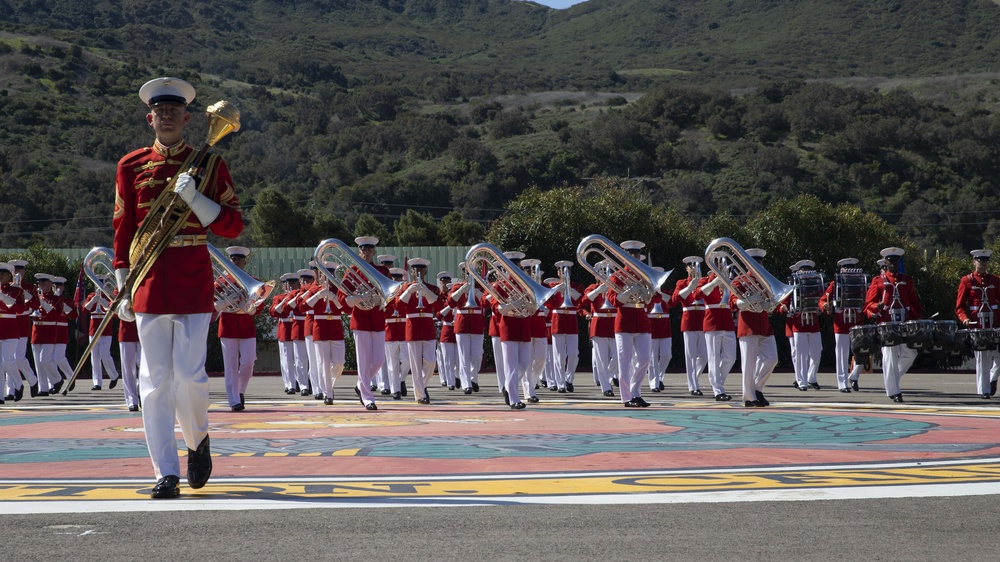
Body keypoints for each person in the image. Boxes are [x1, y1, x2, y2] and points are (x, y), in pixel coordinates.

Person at [112, 77, 243, 498]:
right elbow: (123, 229)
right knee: (153, 381)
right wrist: (121, 284)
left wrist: (198, 201)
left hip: (191, 276)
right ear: (149, 118)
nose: (166, 117)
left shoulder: (209, 163)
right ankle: (164, 471)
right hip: (148, 279)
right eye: (159, 111)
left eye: (174, 111)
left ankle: (197, 439)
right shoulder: (130, 165)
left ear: (186, 118)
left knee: (189, 376)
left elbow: (233, 224)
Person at [863, 247, 922, 403]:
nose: (893, 264)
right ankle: (894, 391)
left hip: (904, 323)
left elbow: (915, 303)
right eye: (890, 261)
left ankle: (892, 377)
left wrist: (917, 317)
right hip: (886, 324)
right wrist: (877, 307)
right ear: (886, 262)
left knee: (911, 353)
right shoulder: (878, 281)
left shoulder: (907, 280)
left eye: (896, 261)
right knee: (889, 356)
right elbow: (868, 305)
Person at [339, 236, 391, 410]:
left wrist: (380, 300)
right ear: (359, 252)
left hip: (377, 319)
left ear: (374, 252)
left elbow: (390, 296)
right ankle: (368, 397)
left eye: (369, 250)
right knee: (363, 361)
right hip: (360, 320)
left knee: (378, 361)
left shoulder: (382, 271)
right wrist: (359, 298)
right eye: (363, 250)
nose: (366, 253)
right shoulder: (352, 271)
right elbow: (343, 299)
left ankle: (362, 385)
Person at [215, 246, 265, 411]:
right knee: (230, 365)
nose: (236, 262)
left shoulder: (252, 280)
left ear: (244, 262)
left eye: (239, 259)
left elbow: (260, 305)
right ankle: (234, 400)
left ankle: (240, 391)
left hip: (246, 326)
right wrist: (227, 301)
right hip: (228, 325)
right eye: (233, 259)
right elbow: (213, 304)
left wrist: (251, 308)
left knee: (248, 362)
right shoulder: (221, 281)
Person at [607, 240, 653, 408]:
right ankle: (627, 398)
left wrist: (649, 295)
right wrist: (628, 293)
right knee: (625, 361)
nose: (635, 257)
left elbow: (650, 300)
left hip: (641, 321)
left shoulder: (644, 275)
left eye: (637, 254)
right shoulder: (617, 276)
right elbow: (612, 300)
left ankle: (635, 391)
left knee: (645, 360)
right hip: (624, 321)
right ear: (625, 257)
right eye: (631, 254)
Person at [730, 248, 778, 407]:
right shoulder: (740, 280)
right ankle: (749, 397)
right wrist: (748, 300)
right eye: (755, 262)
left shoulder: (766, 280)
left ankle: (757, 388)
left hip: (764, 324)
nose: (758, 265)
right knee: (748, 363)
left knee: (772, 358)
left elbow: (774, 301)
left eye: (760, 262)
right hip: (748, 325)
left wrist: (769, 304)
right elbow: (732, 302)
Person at [955, 249, 1000, 398]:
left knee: (998, 358)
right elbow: (959, 306)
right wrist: (965, 319)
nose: (983, 264)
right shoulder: (966, 281)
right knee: (982, 358)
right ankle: (984, 391)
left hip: (995, 323)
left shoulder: (995, 280)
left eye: (985, 261)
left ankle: (993, 378)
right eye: (980, 261)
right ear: (974, 262)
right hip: (977, 324)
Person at [396, 258, 441, 405]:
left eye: (421, 269)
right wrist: (409, 290)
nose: (418, 272)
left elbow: (440, 306)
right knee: (415, 364)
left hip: (427, 326)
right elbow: (398, 306)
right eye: (415, 270)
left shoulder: (433, 288)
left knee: (430, 361)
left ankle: (422, 385)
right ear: (412, 272)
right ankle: (420, 394)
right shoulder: (405, 287)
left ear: (425, 271)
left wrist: (426, 292)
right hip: (413, 327)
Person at [305, 262, 350, 405]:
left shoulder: (339, 289)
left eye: (331, 274)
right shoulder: (314, 289)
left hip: (335, 327)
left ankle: (327, 384)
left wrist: (334, 298)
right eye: (326, 274)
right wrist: (318, 295)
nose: (328, 277)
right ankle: (328, 393)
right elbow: (303, 306)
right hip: (320, 328)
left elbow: (345, 308)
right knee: (322, 363)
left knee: (339, 362)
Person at [819, 258, 866, 393]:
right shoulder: (836, 284)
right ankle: (842, 383)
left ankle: (854, 376)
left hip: (857, 321)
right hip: (841, 322)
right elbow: (823, 299)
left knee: (862, 350)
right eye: (846, 269)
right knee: (841, 353)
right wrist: (825, 306)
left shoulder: (861, 282)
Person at [697, 267, 737, 402]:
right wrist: (714, 282)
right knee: (713, 358)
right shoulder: (705, 280)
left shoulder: (730, 281)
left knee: (731, 357)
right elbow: (697, 295)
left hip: (727, 322)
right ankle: (718, 390)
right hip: (712, 322)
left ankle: (718, 382)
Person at [784, 260, 823, 391]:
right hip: (798, 322)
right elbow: (785, 300)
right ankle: (801, 382)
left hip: (813, 322)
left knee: (817, 352)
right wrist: (783, 307)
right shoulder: (793, 284)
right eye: (803, 270)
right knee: (800, 354)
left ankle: (811, 377)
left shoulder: (815, 285)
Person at [672, 256, 708, 396]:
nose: (693, 269)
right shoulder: (681, 283)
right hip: (689, 321)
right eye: (690, 266)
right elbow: (675, 299)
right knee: (690, 356)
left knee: (704, 356)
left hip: (703, 320)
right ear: (686, 268)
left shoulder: (704, 281)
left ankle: (694, 378)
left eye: (696, 266)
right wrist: (689, 287)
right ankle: (693, 386)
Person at [448, 263, 485, 395]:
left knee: (477, 355)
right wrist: (461, 291)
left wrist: (476, 291)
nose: (470, 276)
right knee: (464, 357)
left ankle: (473, 378)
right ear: (464, 274)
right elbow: (450, 303)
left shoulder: (481, 286)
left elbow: (486, 302)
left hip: (476, 323)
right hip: (462, 323)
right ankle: (466, 384)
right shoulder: (457, 286)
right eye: (468, 273)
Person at [83, 275, 120, 391]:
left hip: (105, 329)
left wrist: (103, 300)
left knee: (105, 354)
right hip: (93, 330)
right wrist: (93, 300)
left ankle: (114, 375)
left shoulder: (108, 296)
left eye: (101, 282)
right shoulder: (91, 295)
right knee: (95, 357)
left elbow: (111, 310)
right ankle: (97, 382)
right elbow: (85, 310)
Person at [9, 260, 39, 399]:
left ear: (24, 272)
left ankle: (32, 380)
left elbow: (36, 304)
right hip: (9, 320)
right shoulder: (8, 287)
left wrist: (21, 291)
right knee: (9, 358)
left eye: (19, 270)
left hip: (22, 320)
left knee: (19, 357)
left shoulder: (30, 287)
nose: (17, 273)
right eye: (15, 270)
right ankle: (11, 390)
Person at [0, 262, 25, 403]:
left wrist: (3, 297)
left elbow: (20, 309)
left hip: (10, 330)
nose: (0, 276)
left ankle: (18, 383)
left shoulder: (16, 290)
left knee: (7, 361)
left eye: (3, 274)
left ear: (9, 275)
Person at [384, 267, 410, 399]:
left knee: (407, 360)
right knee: (392, 363)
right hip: (391, 331)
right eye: (393, 278)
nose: (395, 280)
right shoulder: (385, 294)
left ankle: (401, 380)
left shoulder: (406, 293)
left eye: (398, 278)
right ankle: (396, 390)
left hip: (404, 330)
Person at [270, 273, 299, 394]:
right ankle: (290, 384)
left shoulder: (300, 296)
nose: (290, 286)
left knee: (300, 359)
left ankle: (301, 381)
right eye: (288, 284)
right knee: (287, 360)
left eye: (293, 283)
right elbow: (273, 311)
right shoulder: (279, 297)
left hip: (298, 329)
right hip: (285, 330)